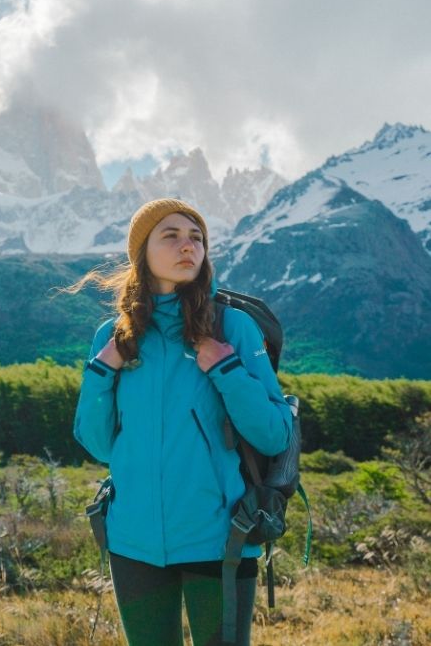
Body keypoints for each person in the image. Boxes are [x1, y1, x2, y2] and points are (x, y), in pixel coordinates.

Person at [72, 198, 292, 646]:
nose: (187, 246)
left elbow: (273, 434)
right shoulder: (114, 336)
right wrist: (102, 369)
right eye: (170, 235)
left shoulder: (234, 328)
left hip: (222, 539)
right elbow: (98, 444)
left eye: (197, 238)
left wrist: (227, 370)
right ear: (142, 253)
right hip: (132, 544)